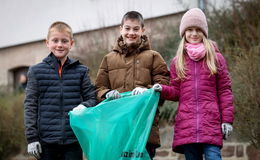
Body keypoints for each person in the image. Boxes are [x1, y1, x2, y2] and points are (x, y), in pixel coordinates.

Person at [152, 8, 234, 160]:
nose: (194, 33)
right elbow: (177, 92)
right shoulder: (178, 62)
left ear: (204, 32)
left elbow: (224, 91)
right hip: (187, 126)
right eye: (189, 29)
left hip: (211, 124)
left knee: (214, 157)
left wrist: (227, 120)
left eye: (198, 29)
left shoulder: (216, 58)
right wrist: (161, 89)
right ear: (184, 33)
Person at [95, 11, 169, 159]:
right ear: (120, 29)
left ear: (143, 30)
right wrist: (106, 94)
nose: (131, 33)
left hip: (145, 129)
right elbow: (98, 88)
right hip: (117, 128)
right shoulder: (108, 59)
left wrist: (147, 91)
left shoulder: (154, 57)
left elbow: (164, 87)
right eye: (127, 28)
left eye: (136, 29)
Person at [24, 21, 96, 160]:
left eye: (64, 41)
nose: (59, 45)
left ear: (71, 43)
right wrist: (32, 138)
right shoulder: (36, 71)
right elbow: (30, 105)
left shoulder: (81, 71)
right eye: (55, 40)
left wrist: (83, 106)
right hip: (46, 142)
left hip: (73, 140)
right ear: (47, 43)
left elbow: (92, 98)